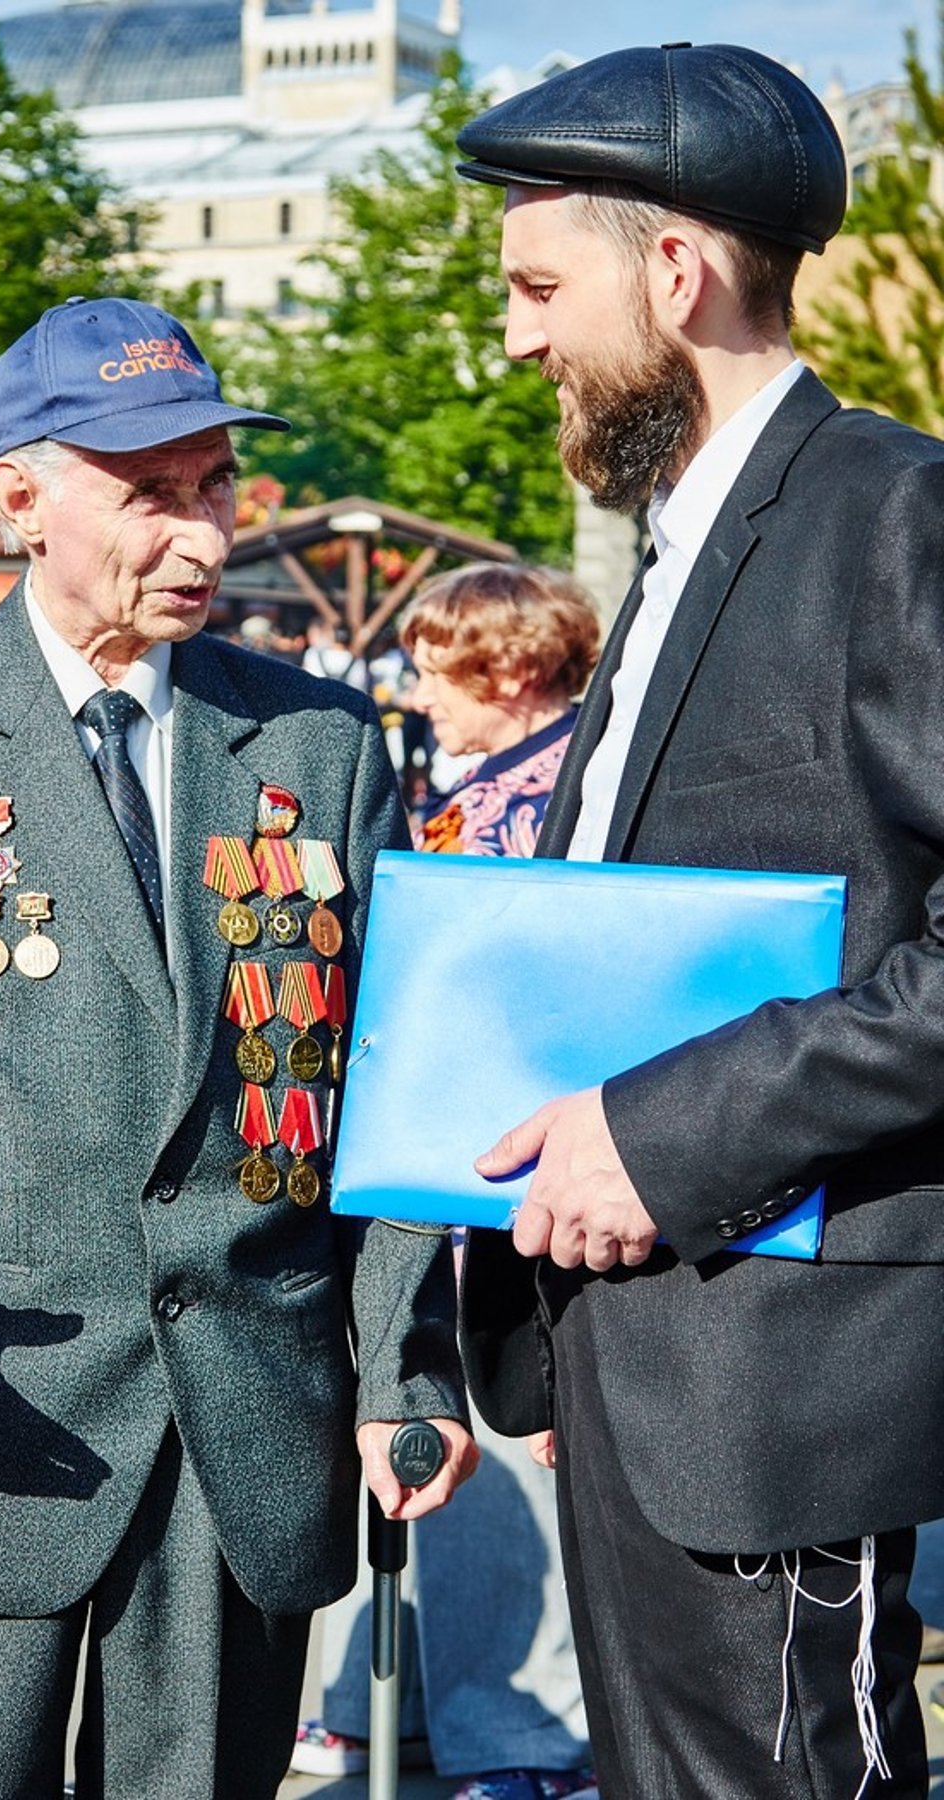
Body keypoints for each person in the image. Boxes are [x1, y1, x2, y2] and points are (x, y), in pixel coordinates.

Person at [0, 294, 476, 1800]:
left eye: (217, 486)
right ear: (23, 499)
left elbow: (384, 1091)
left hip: (241, 1449)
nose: (203, 535)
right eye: (152, 495)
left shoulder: (322, 745)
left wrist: (406, 1371)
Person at [454, 42, 944, 1799]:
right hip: (627, 1358)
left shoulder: (898, 515)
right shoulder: (672, 544)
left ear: (675, 273)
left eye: (533, 285)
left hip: (779, 1394)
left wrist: (661, 1134)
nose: (511, 337)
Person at [293, 562, 600, 1800]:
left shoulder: (530, 808)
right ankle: (435, 1710)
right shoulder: (501, 788)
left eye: (437, 669)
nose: (417, 696)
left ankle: (518, 1741)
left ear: (512, 670)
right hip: (482, 1186)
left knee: (492, 1464)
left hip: (499, 1198)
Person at [301, 617, 369, 693]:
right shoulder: (357, 660)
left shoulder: (313, 653)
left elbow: (305, 684)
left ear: (331, 635)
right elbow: (361, 688)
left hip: (316, 701)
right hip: (344, 703)